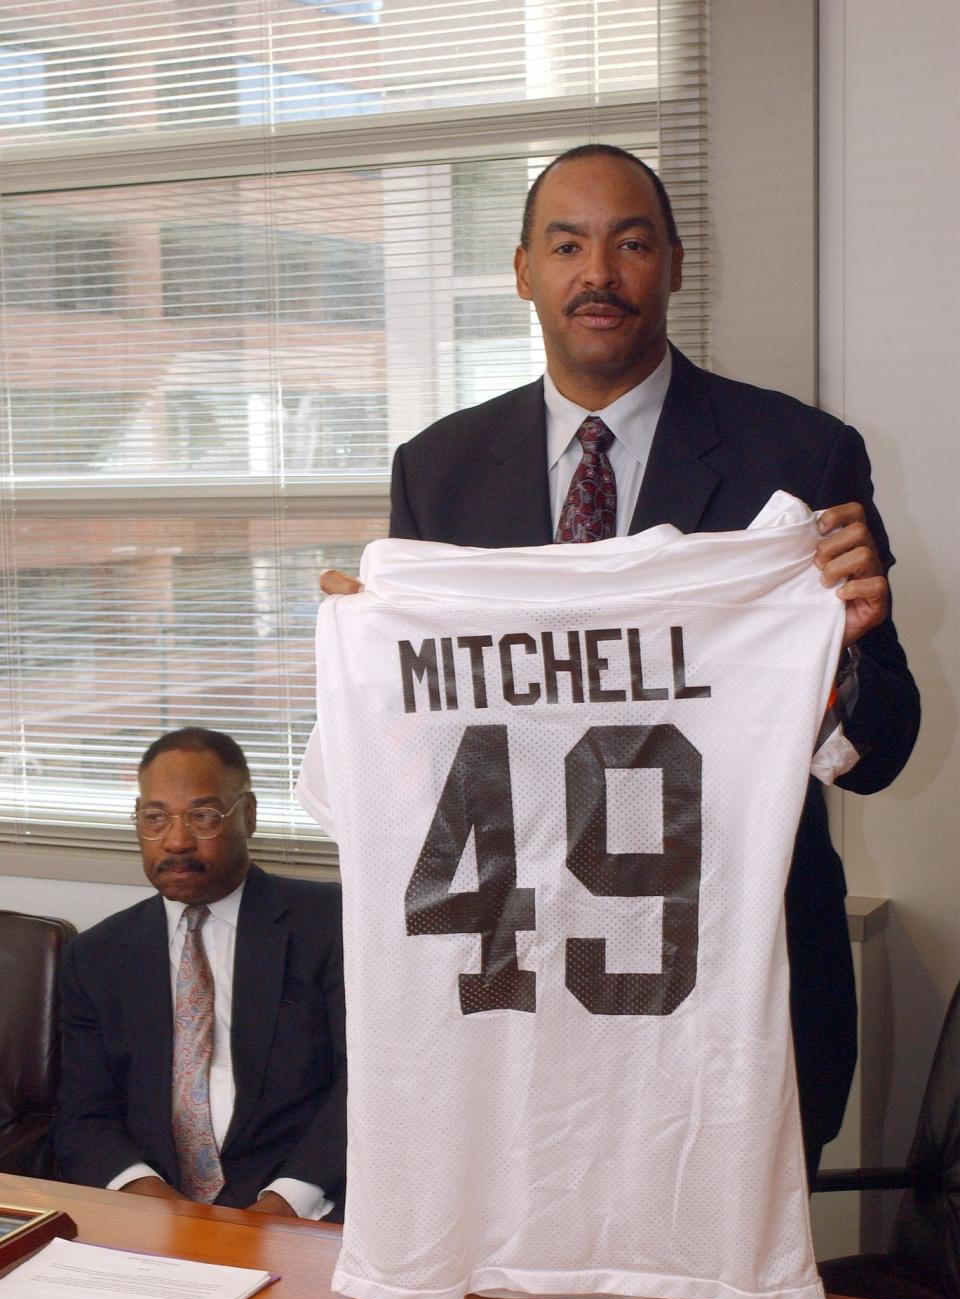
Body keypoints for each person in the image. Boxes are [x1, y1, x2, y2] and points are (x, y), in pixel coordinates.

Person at [324, 144, 920, 1177]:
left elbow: (882, 750)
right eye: (567, 244)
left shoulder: (800, 454)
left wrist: (850, 652)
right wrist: (367, 664)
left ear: (675, 264)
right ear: (523, 271)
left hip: (741, 980)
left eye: (630, 242)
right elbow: (431, 758)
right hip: (517, 985)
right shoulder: (441, 469)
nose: (597, 273)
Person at [53, 727, 346, 1218]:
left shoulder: (329, 925)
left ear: (247, 815)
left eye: (203, 817)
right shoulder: (97, 955)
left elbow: (368, 1084)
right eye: (154, 818)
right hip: (155, 1212)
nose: (177, 840)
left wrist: (283, 1205)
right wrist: (162, 1209)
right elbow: (83, 1115)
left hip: (301, 1207)